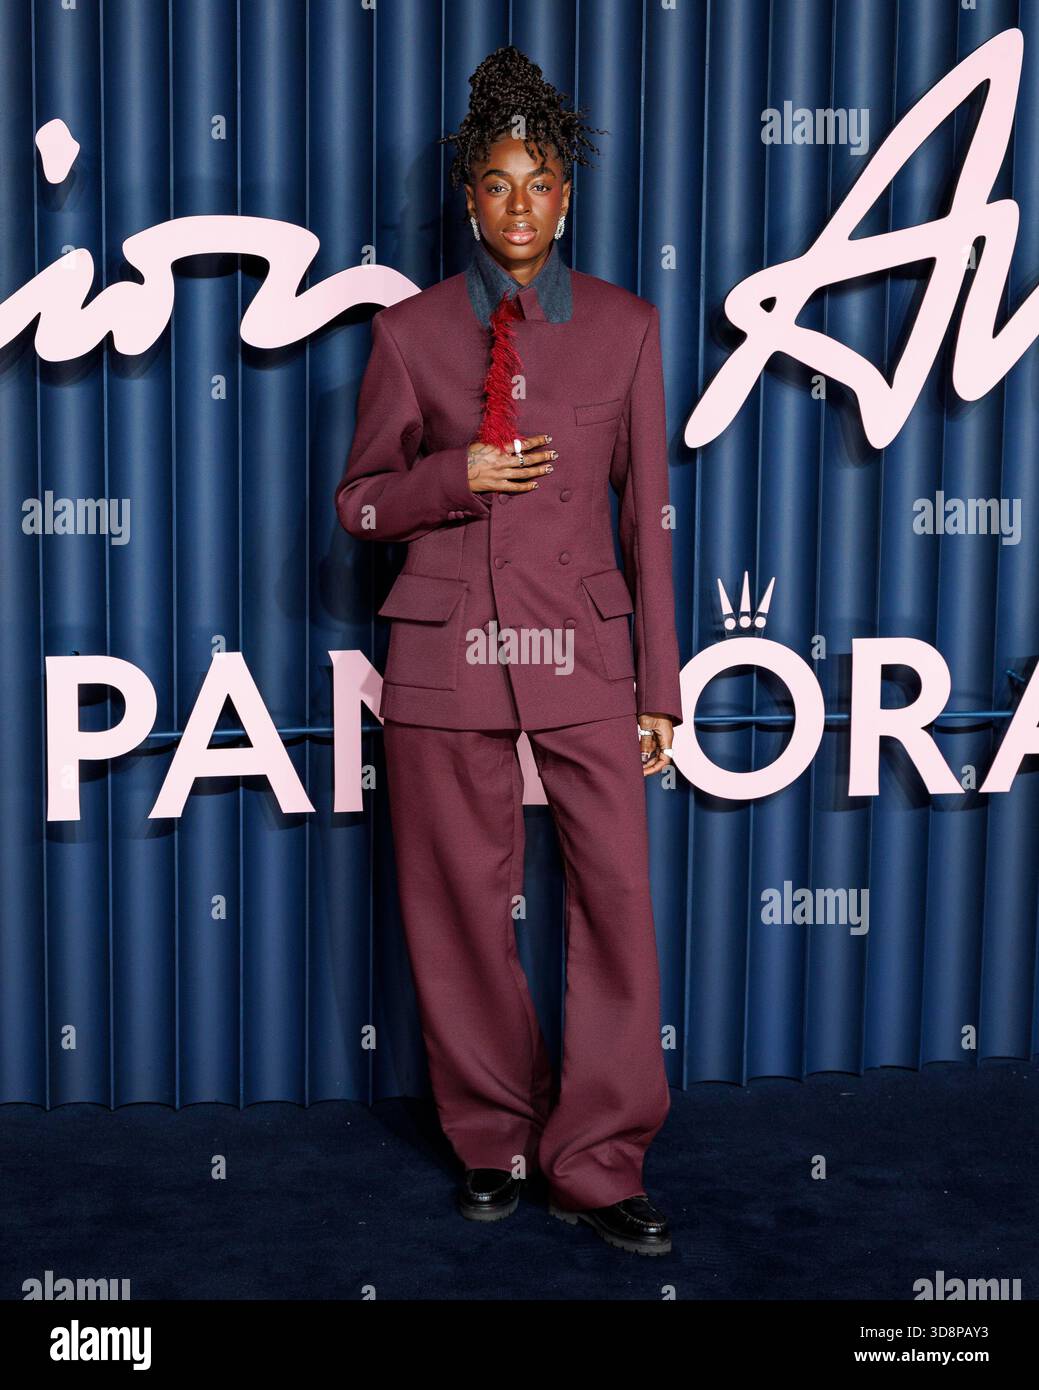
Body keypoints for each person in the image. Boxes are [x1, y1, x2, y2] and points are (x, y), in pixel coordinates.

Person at [334, 45, 684, 1257]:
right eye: (496, 181)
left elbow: (646, 524)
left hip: (585, 655)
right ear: (468, 197)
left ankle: (598, 1155)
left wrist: (663, 689)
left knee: (620, 902)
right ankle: (495, 1140)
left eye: (539, 180)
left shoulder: (630, 329)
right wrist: (451, 475)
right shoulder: (410, 332)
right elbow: (357, 506)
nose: (519, 203)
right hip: (445, 656)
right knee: (456, 907)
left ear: (566, 195)